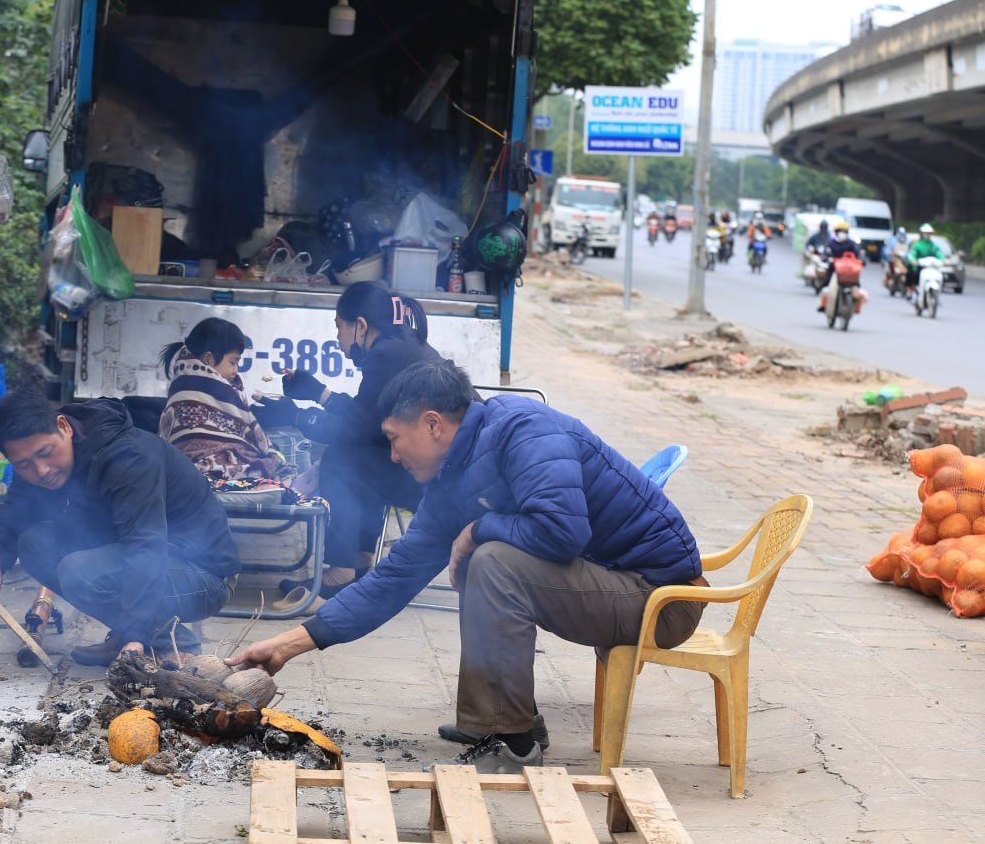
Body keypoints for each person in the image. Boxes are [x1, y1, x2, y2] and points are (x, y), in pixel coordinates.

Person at [229, 361, 706, 774]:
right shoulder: (451, 479)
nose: (393, 455)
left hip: (662, 599)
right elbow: (395, 578)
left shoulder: (526, 430)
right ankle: (512, 718)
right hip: (615, 585)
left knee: (492, 558)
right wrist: (289, 644)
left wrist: (477, 530)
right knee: (487, 557)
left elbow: (564, 534)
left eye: (396, 439)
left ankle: (512, 741)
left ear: (433, 424)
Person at [0, 390, 241, 665]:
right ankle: (149, 635)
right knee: (34, 545)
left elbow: (145, 545)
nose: (41, 471)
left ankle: (164, 641)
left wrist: (136, 635)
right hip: (139, 554)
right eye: (24, 465)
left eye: (46, 453)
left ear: (64, 427)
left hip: (204, 576)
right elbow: (15, 512)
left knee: (79, 572)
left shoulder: (127, 456)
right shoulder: (37, 458)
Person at [252, 281, 441, 597]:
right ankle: (358, 560)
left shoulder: (385, 356)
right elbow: (368, 416)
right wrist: (317, 393)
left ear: (361, 326)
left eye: (339, 327)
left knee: (342, 459)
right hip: (442, 469)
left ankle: (340, 570)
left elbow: (352, 430)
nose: (338, 339)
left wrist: (294, 416)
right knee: (362, 455)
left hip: (437, 483)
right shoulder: (401, 343)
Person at [157, 318, 294, 481]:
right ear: (208, 359)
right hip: (200, 478)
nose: (236, 371)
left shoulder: (210, 392)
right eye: (233, 362)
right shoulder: (187, 394)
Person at [905, 223, 944, 300]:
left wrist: (943, 260)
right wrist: (913, 260)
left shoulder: (933, 245)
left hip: (931, 267)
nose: (927, 235)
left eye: (929, 234)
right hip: (919, 267)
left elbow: (939, 254)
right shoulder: (917, 245)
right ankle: (912, 293)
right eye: (926, 234)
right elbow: (912, 254)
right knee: (912, 274)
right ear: (921, 234)